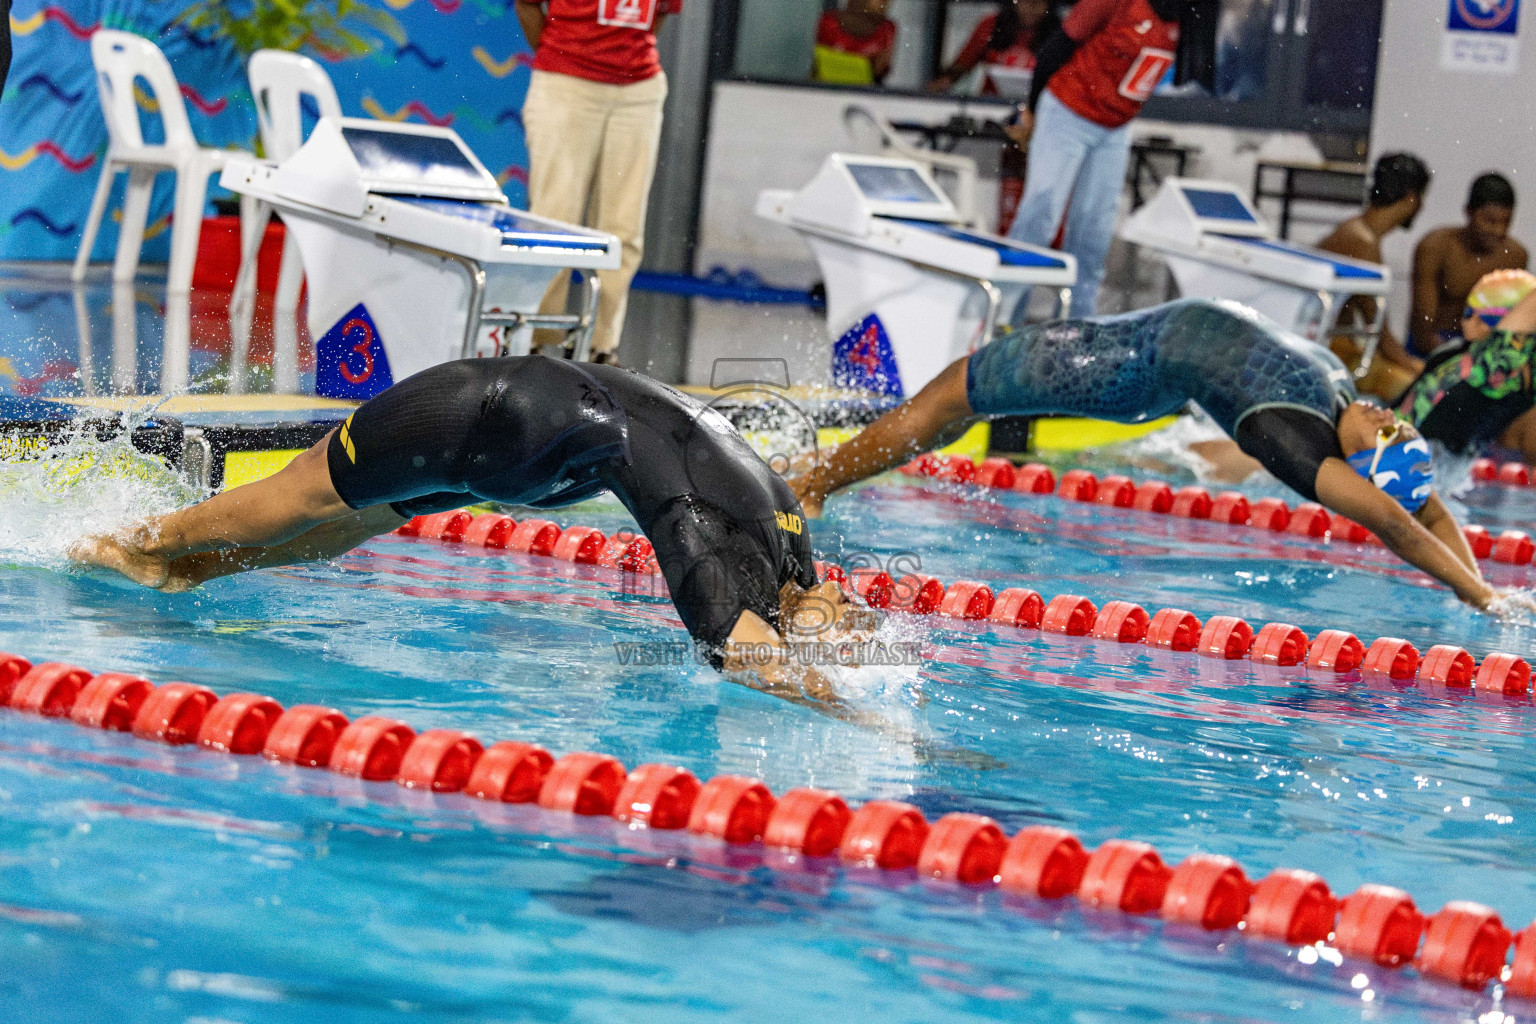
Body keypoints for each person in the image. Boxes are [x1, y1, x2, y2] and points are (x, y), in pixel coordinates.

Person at [70, 357, 878, 718]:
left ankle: (160, 556)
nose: (840, 624)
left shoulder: (783, 538)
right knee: (315, 500)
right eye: (839, 624)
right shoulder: (740, 543)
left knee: (319, 499)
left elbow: (772, 638)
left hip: (520, 427)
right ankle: (143, 545)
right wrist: (864, 721)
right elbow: (749, 659)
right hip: (508, 433)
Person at [791, 299, 1502, 610]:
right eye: (1397, 425)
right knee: (946, 414)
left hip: (1120, 362)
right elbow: (1426, 507)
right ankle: (830, 476)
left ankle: (816, 481)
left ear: (1359, 467)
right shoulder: (1343, 400)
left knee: (949, 397)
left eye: (1385, 434)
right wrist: (1484, 579)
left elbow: (1399, 523)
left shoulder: (1291, 435)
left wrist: (1480, 595)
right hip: (1141, 340)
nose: (1387, 417)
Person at [1003, 0, 1195, 317]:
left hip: (1115, 128)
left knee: (1094, 231)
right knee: (1041, 212)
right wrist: (1032, 113)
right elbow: (1055, 50)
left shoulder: (1190, 18)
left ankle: (1076, 328)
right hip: (1066, 111)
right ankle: (1004, 314)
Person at [515, 0, 680, 366]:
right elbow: (526, 6)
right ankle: (537, 343)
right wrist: (568, 55)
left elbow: (662, 12)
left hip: (638, 91)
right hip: (566, 82)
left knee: (624, 228)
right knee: (553, 220)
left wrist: (616, 63)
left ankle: (602, 346)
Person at [1316, 152, 1432, 401]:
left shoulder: (1356, 231)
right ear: (1412, 198)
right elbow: (1378, 332)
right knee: (1420, 391)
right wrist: (1420, 369)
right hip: (1334, 354)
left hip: (1335, 347)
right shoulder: (1363, 242)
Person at [1399, 269, 1536, 462]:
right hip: (1405, 453)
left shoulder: (1496, 366)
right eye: (1469, 312)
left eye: (1488, 319)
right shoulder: (1455, 354)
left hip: (1431, 463)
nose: (1472, 323)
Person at [1409, 173, 1528, 358]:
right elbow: (1423, 331)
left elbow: (1513, 325)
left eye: (1506, 222)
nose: (1499, 230)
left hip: (1484, 349)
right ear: (1468, 211)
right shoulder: (1435, 247)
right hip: (1434, 344)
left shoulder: (1515, 256)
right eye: (1490, 221)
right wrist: (1457, 362)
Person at [927, 0, 1057, 97]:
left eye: (1038, 2)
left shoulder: (1058, 33)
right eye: (1024, 1)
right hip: (991, 107)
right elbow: (961, 66)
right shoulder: (991, 25)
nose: (1031, 7)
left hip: (1038, 112)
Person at [815, 0, 897, 85]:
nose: (886, 3)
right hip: (820, 91)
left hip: (862, 94)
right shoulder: (827, 23)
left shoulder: (886, 30)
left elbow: (880, 70)